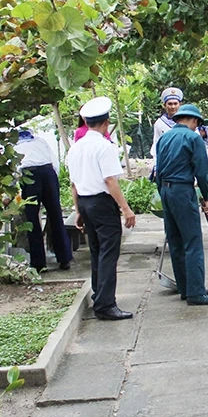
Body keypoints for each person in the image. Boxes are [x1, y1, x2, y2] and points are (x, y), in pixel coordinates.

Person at [66, 97, 137, 320]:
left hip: (85, 202)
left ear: (87, 122)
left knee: (96, 250)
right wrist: (125, 208)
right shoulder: (104, 147)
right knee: (108, 251)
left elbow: (73, 184)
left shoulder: (76, 148)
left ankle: (99, 294)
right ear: (106, 122)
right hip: (102, 203)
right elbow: (110, 180)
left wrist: (78, 210)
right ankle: (105, 305)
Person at [154, 104, 208, 306]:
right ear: (193, 120)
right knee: (192, 242)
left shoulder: (164, 138)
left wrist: (163, 192)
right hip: (183, 191)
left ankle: (185, 288)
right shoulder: (193, 138)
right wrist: (206, 197)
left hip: (166, 191)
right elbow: (201, 172)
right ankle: (196, 292)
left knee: (175, 241)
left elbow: (158, 169)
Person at [16, 129, 72, 272]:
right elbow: (55, 163)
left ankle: (39, 263)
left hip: (29, 175)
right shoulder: (40, 141)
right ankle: (64, 258)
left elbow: (13, 170)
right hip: (48, 173)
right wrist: (53, 181)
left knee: (32, 220)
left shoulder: (14, 146)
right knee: (55, 215)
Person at [150, 87, 183, 158]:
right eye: (170, 104)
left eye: (175, 103)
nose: (173, 107)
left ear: (180, 104)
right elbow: (156, 144)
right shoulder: (160, 123)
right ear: (164, 105)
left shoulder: (187, 121)